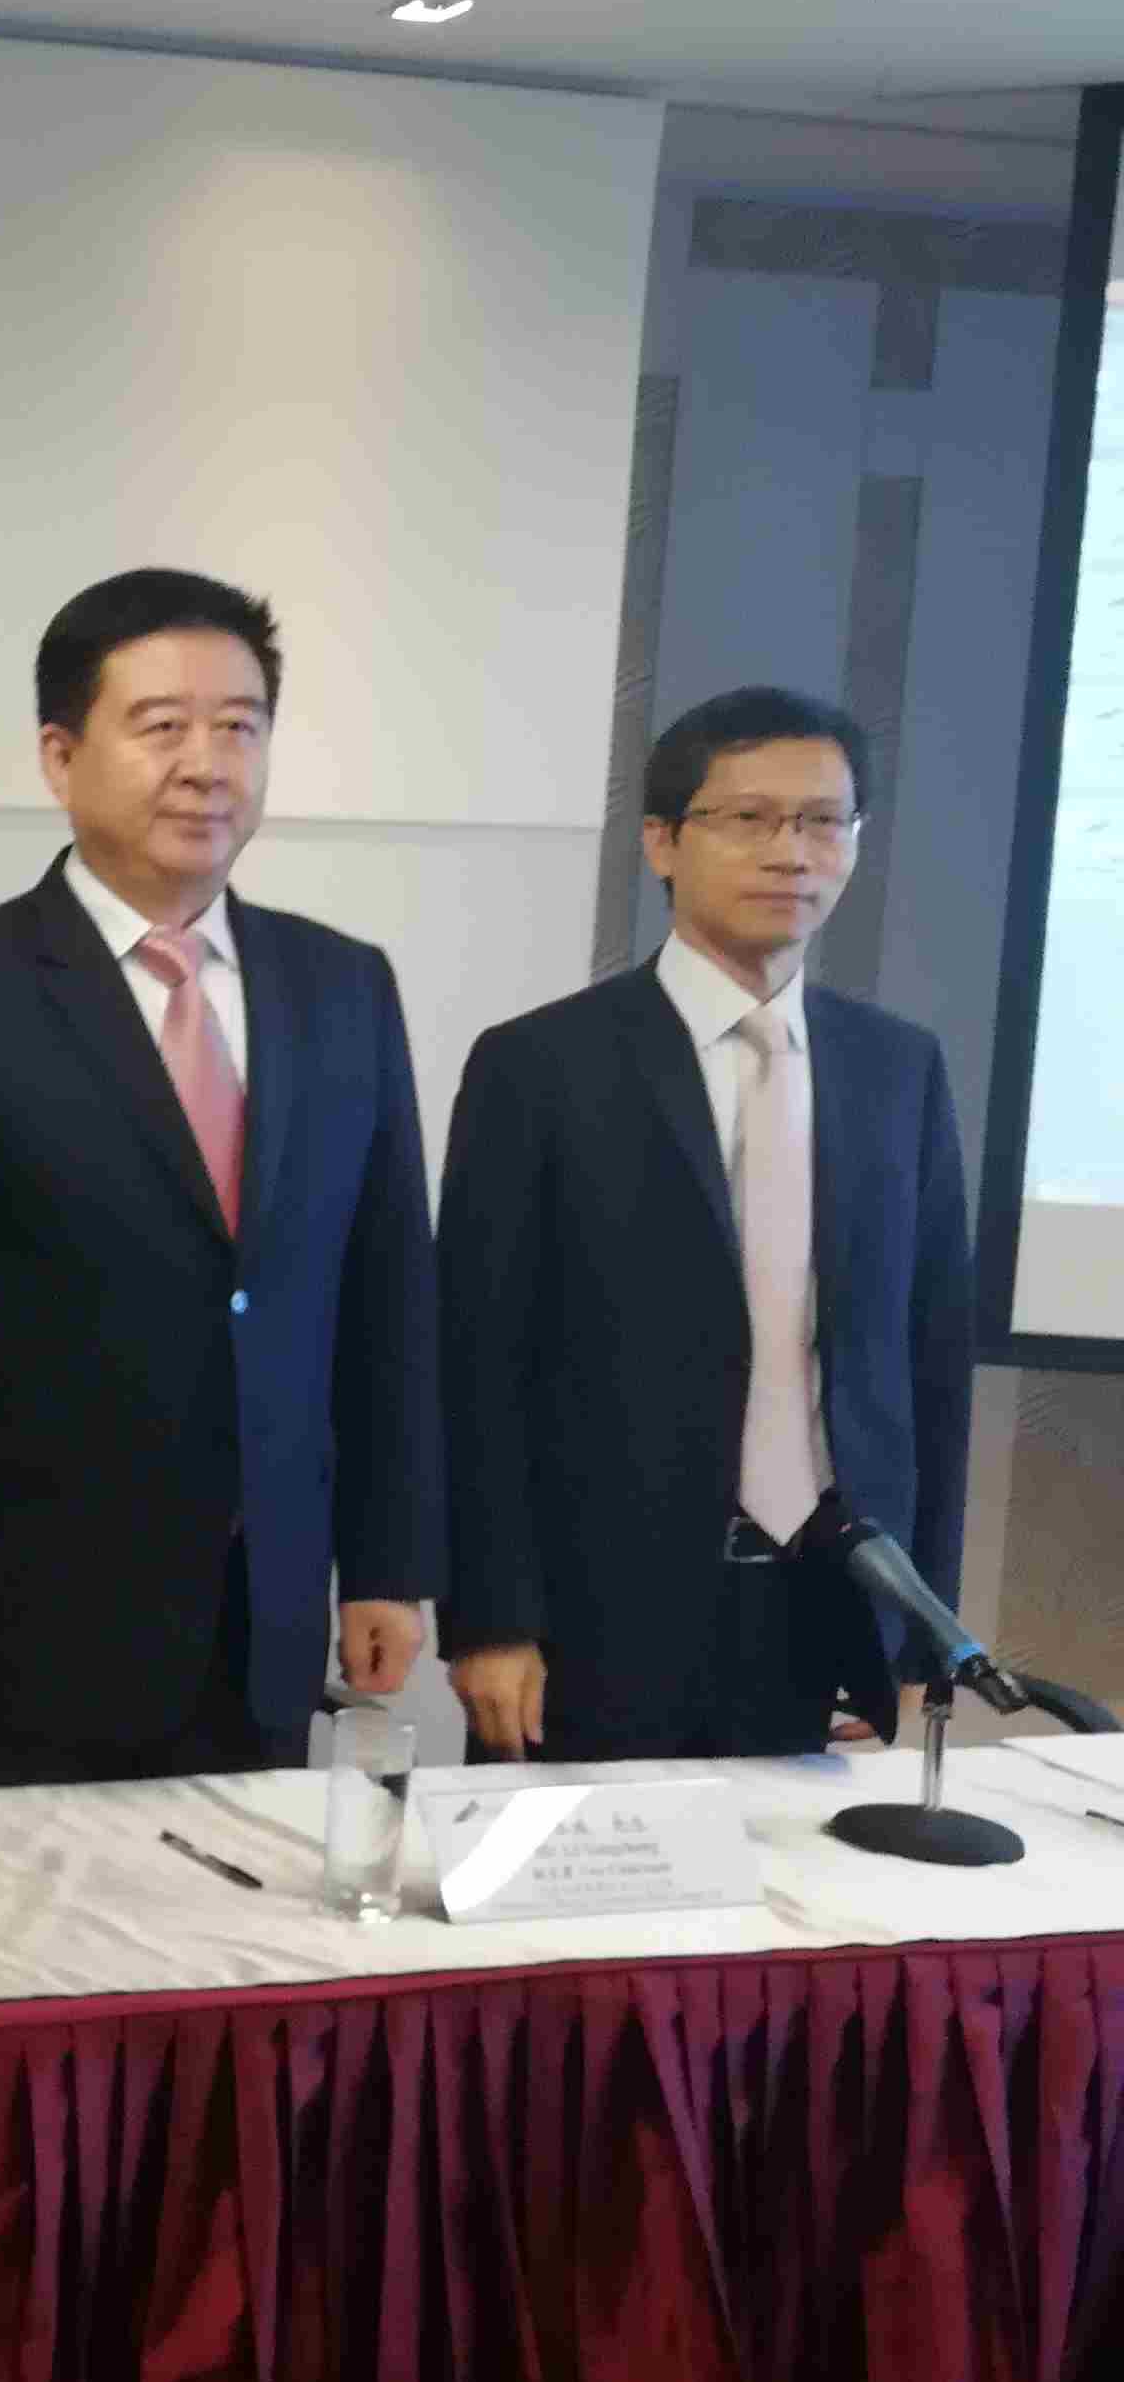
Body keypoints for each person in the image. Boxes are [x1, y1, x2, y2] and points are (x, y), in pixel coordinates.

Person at [0, 567, 438, 1784]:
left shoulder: (341, 986)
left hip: (262, 1621)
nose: (206, 765)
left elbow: (386, 1298)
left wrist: (387, 1562)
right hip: (12, 1632)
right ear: (60, 756)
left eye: (238, 727)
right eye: (161, 727)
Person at [439, 689, 971, 1759]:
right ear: (661, 842)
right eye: (748, 818)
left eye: (821, 821)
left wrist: (920, 1628)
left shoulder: (896, 1069)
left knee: (812, 1872)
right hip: (597, 1613)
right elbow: (474, 1366)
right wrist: (490, 1619)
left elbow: (929, 1367)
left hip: (829, 1598)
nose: (790, 852)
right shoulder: (539, 1065)